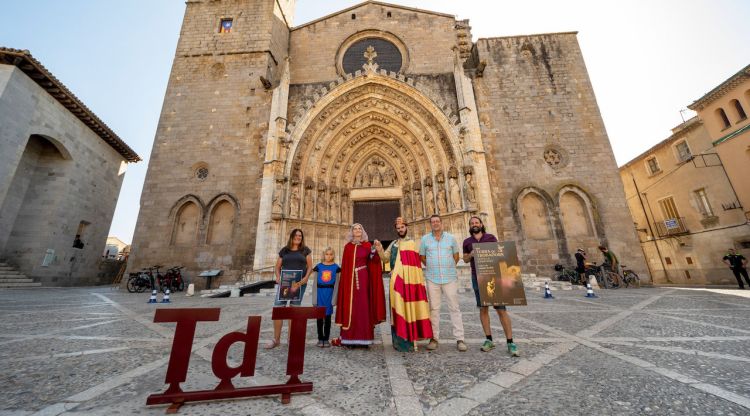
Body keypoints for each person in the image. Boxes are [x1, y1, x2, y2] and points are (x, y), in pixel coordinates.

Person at [462, 216, 519, 356]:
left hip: (493, 276)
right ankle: (489, 340)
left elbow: (501, 254)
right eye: (472, 223)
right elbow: (464, 259)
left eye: (476, 222)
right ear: (469, 226)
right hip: (477, 277)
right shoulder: (467, 242)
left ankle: (510, 342)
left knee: (501, 310)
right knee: (483, 309)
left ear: (481, 224)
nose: (474, 225)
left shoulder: (491, 238)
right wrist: (471, 254)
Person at [374, 217, 432, 352]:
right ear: (396, 230)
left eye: (402, 227)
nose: (400, 230)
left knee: (410, 307)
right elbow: (385, 258)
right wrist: (379, 249)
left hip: (410, 281)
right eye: (398, 228)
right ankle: (399, 341)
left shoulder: (413, 243)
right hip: (396, 282)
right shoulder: (394, 244)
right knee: (398, 309)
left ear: (406, 227)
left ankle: (411, 338)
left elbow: (418, 263)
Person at [418, 215, 466, 352]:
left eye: (437, 221)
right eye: (433, 222)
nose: (435, 224)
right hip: (432, 278)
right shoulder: (425, 239)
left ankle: (460, 338)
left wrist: (448, 266)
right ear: (430, 224)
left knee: (454, 307)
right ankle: (434, 338)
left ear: (441, 222)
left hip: (449, 277)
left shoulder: (451, 238)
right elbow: (421, 256)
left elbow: (456, 256)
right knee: (434, 309)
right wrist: (432, 266)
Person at [334, 223, 386, 347]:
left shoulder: (368, 245)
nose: (357, 231)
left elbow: (373, 260)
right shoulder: (348, 247)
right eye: (355, 229)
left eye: (359, 229)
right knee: (350, 306)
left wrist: (376, 250)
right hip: (349, 281)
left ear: (363, 232)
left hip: (364, 279)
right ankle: (349, 339)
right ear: (352, 232)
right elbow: (345, 267)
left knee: (364, 306)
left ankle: (364, 339)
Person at [265, 228, 312, 349]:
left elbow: (310, 267)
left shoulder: (305, 250)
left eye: (300, 236)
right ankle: (276, 339)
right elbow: (277, 267)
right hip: (285, 283)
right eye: (296, 235)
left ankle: (291, 339)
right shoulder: (284, 251)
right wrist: (278, 277)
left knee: (294, 310)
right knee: (279, 309)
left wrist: (306, 278)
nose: (298, 237)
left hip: (299, 283)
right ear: (291, 236)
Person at [310, 247, 341, 347]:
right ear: (323, 255)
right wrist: (314, 298)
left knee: (327, 318)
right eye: (327, 254)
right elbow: (315, 284)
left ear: (333, 255)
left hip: (329, 294)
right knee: (319, 318)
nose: (329, 256)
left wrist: (334, 299)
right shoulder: (318, 267)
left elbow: (337, 284)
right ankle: (320, 338)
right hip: (320, 294)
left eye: (331, 254)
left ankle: (326, 338)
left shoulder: (336, 268)